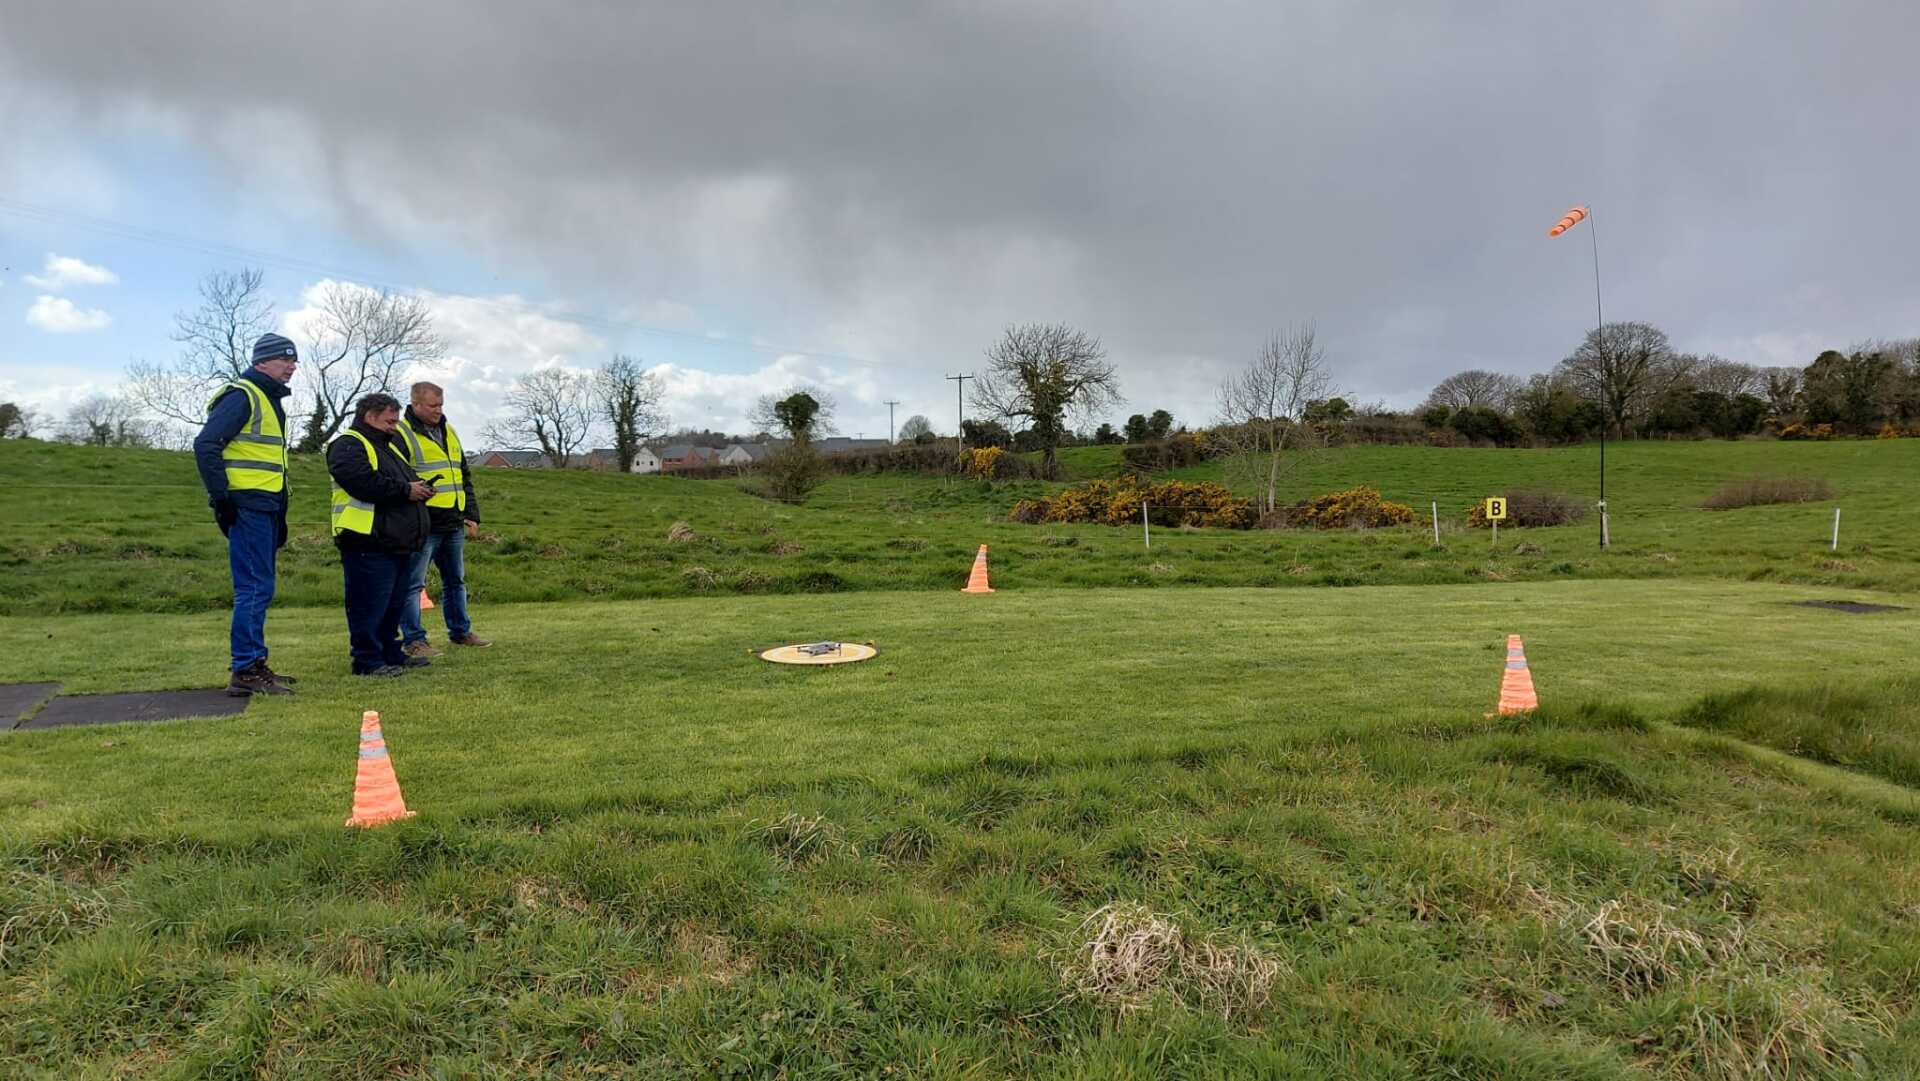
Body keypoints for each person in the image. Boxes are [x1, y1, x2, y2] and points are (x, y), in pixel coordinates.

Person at [194, 332, 299, 696]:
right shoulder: (244, 395)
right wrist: (221, 498)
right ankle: (246, 669)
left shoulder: (268, 401)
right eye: (284, 359)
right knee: (254, 588)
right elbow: (206, 444)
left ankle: (254, 663)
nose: (292, 366)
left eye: (294, 360)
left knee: (260, 588)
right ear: (261, 362)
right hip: (249, 505)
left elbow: (272, 465)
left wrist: (280, 514)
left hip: (265, 507)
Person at [326, 392, 434, 677]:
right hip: (366, 539)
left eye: (396, 421)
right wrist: (407, 490)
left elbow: (398, 481)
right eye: (389, 420)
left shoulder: (389, 447)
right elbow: (362, 483)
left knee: (391, 605)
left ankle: (390, 652)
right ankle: (367, 660)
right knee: (368, 605)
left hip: (394, 540)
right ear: (369, 416)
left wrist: (418, 488)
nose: (394, 426)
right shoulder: (348, 445)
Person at [395, 381, 491, 655]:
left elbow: (463, 474)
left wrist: (471, 513)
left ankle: (460, 632)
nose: (438, 410)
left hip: (453, 521)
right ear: (415, 404)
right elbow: (398, 476)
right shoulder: (401, 433)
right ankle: (414, 640)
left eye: (441, 405)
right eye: (432, 405)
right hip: (422, 522)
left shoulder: (449, 431)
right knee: (414, 584)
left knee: (455, 581)